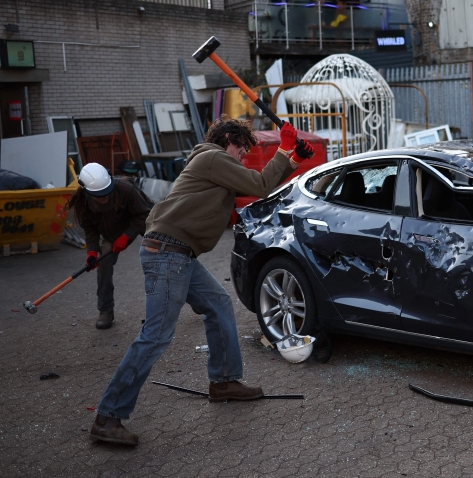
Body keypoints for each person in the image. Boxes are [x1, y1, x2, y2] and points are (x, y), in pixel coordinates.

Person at [90, 118, 315, 446]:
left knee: (218, 303)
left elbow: (260, 186)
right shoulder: (212, 158)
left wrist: (293, 160)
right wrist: (283, 148)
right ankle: (107, 416)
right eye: (241, 150)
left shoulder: (215, 166)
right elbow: (260, 182)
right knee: (155, 336)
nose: (241, 158)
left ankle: (224, 381)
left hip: (179, 254)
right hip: (169, 253)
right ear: (227, 139)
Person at [71, 163, 152, 330]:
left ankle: (195, 296)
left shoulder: (126, 189)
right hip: (112, 231)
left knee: (167, 251)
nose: (103, 198)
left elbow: (143, 214)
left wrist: (126, 236)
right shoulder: (83, 201)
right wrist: (92, 251)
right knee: (103, 265)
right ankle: (105, 310)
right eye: (98, 195)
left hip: (143, 221)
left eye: (106, 193)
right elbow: (90, 229)